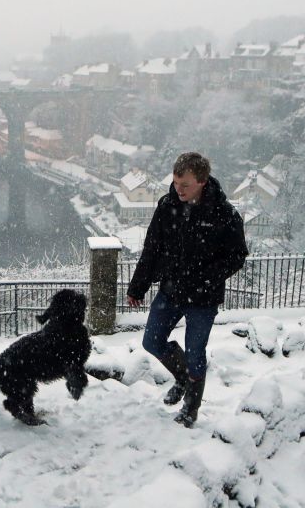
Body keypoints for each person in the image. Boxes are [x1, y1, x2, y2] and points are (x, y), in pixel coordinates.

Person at [127, 152, 248, 427]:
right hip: (170, 290)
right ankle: (182, 378)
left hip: (203, 298)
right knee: (151, 341)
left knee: (196, 352)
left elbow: (237, 256)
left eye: (185, 185)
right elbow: (152, 248)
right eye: (175, 182)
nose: (178, 190)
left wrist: (206, 279)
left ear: (202, 181)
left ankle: (191, 407)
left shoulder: (225, 214)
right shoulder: (167, 205)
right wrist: (138, 286)